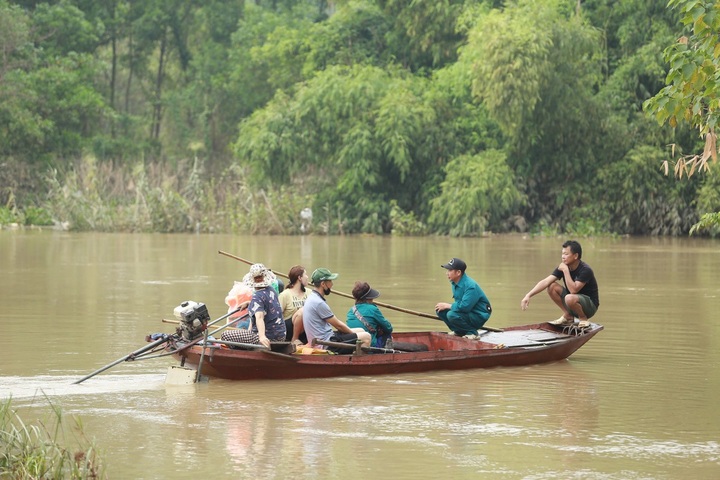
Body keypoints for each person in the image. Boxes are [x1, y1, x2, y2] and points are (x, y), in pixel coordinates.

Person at [520, 240, 599, 328]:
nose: (563, 257)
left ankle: (583, 318)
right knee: (551, 286)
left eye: (566, 254)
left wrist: (565, 271)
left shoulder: (585, 270)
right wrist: (528, 295)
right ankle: (568, 315)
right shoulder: (564, 266)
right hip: (572, 301)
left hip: (590, 306)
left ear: (576, 256)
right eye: (562, 254)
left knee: (569, 297)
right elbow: (546, 281)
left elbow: (573, 290)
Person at [302, 267, 371, 352]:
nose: (332, 284)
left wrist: (354, 335)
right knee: (366, 337)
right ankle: (357, 363)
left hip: (325, 336)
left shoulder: (312, 297)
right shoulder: (318, 303)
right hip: (325, 343)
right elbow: (338, 325)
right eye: (330, 281)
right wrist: (354, 335)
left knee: (361, 330)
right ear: (323, 284)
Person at [221, 263, 286, 348]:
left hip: (268, 337)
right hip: (281, 336)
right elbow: (267, 303)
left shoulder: (257, 296)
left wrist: (262, 336)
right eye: (257, 277)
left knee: (225, 335)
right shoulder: (271, 290)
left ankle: (243, 351)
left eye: (259, 277)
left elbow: (259, 317)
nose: (258, 279)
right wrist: (249, 303)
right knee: (245, 332)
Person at [435, 257, 492, 339]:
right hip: (467, 312)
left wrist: (448, 306)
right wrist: (447, 307)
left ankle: (473, 332)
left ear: (458, 272)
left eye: (450, 271)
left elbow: (465, 307)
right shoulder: (454, 283)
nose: (447, 273)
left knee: (451, 314)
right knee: (440, 310)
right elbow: (460, 305)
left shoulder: (471, 286)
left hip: (478, 315)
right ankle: (458, 331)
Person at [346, 281, 394, 348]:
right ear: (368, 298)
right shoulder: (373, 309)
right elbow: (389, 328)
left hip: (352, 344)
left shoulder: (351, 310)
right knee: (387, 334)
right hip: (370, 345)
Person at [278, 265, 309, 345]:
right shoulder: (285, 295)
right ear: (299, 278)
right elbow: (277, 316)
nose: (307, 277)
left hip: (306, 328)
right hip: (289, 328)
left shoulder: (310, 293)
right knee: (302, 311)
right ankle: (294, 339)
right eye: (305, 274)